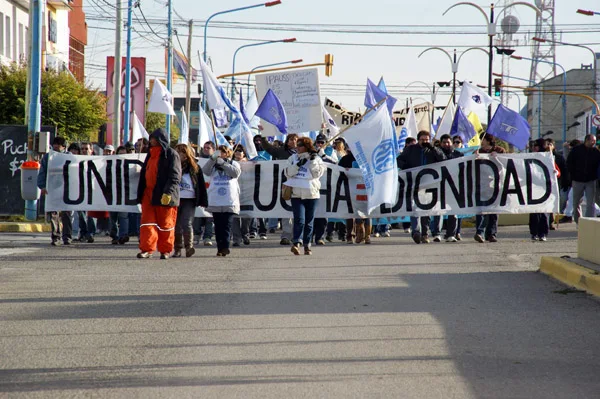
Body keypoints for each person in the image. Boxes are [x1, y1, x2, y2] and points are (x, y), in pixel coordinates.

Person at [136, 128, 182, 259]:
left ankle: (165, 250)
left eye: (154, 138)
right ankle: (147, 249)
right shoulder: (150, 154)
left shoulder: (171, 154)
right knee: (147, 223)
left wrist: (168, 192)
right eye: (151, 138)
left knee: (166, 224)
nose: (152, 140)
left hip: (164, 195)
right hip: (148, 194)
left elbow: (175, 176)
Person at [397, 130, 445, 244]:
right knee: (415, 209)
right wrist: (406, 169)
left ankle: (425, 233)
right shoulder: (410, 150)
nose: (425, 142)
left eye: (427, 140)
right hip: (414, 184)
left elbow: (443, 160)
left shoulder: (433, 150)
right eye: (422, 140)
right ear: (418, 140)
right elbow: (399, 160)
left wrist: (433, 148)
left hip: (429, 184)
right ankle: (416, 232)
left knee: (427, 210)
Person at [284, 137, 325, 255]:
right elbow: (287, 173)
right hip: (297, 194)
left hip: (312, 194)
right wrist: (298, 164)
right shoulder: (292, 158)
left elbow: (317, 174)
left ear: (306, 147)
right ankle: (296, 243)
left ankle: (307, 245)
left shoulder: (316, 158)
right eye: (297, 145)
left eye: (300, 145)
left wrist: (312, 161)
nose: (297, 147)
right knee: (299, 219)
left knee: (309, 221)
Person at [202, 145, 242, 256]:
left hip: (229, 200)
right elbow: (205, 171)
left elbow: (235, 173)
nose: (221, 153)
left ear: (228, 153)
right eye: (219, 152)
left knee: (227, 225)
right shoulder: (213, 164)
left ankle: (225, 247)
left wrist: (223, 164)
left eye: (224, 152)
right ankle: (220, 248)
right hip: (216, 199)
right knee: (218, 226)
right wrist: (212, 159)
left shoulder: (234, 163)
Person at [259, 133, 298, 245]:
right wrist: (263, 137)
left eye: (296, 139)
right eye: (291, 139)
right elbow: (269, 148)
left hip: (300, 185)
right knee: (287, 211)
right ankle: (286, 235)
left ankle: (296, 236)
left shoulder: (303, 154)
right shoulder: (282, 151)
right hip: (286, 185)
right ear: (287, 141)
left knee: (298, 213)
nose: (294, 141)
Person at [173, 144, 208, 258]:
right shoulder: (172, 165)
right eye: (177, 151)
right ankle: (177, 248)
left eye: (182, 152)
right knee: (176, 225)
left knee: (187, 223)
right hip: (175, 198)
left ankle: (189, 247)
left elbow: (201, 185)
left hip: (189, 199)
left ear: (186, 154)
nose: (179, 154)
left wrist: (203, 200)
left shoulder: (195, 167)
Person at [37, 136, 73, 246]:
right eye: (55, 146)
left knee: (67, 214)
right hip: (52, 189)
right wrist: (42, 186)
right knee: (54, 214)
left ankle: (67, 236)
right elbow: (42, 172)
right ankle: (56, 237)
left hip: (67, 189)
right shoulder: (48, 157)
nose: (56, 148)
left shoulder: (70, 157)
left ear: (64, 147)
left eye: (59, 146)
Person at [474, 135, 505, 243]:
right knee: (481, 210)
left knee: (494, 211)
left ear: (489, 141)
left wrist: (497, 158)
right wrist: (475, 158)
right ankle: (480, 233)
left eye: (483, 141)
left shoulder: (500, 151)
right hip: (481, 185)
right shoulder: (479, 151)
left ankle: (491, 234)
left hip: (495, 185)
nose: (482, 143)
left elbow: (505, 167)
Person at [432, 134, 464, 242]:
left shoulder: (459, 154)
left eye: (448, 142)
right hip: (439, 185)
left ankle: (451, 234)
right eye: (444, 142)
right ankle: (437, 233)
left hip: (453, 187)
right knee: (438, 211)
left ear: (451, 143)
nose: (446, 144)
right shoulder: (435, 153)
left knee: (453, 211)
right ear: (440, 143)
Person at [566, 134, 600, 224]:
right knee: (576, 202)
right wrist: (572, 176)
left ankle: (589, 222)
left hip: (591, 180)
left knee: (591, 202)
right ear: (587, 140)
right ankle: (578, 222)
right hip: (577, 180)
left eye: (595, 141)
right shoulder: (576, 150)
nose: (594, 142)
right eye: (593, 140)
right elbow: (569, 163)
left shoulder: (596, 152)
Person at [529, 138, 551, 241]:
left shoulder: (548, 157)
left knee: (543, 212)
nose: (534, 148)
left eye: (536, 146)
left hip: (545, 188)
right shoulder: (530, 157)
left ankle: (542, 233)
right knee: (534, 212)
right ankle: (534, 233)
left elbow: (558, 172)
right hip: (533, 187)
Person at [231, 145, 253, 247]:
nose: (238, 153)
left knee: (246, 217)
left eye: (240, 150)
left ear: (244, 153)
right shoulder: (230, 164)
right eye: (236, 150)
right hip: (234, 194)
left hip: (247, 194)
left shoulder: (250, 164)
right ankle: (236, 239)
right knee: (234, 217)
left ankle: (245, 235)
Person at [195, 141, 216, 246]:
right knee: (198, 215)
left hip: (212, 192)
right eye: (205, 147)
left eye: (208, 148)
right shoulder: (197, 161)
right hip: (200, 191)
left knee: (209, 216)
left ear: (213, 150)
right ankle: (196, 234)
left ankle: (207, 236)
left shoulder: (217, 161)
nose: (206, 149)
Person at [110, 146, 130, 245]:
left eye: (124, 154)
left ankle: (123, 236)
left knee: (123, 216)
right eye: (120, 154)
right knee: (113, 217)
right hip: (112, 194)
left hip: (125, 194)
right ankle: (114, 236)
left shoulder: (130, 165)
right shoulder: (111, 164)